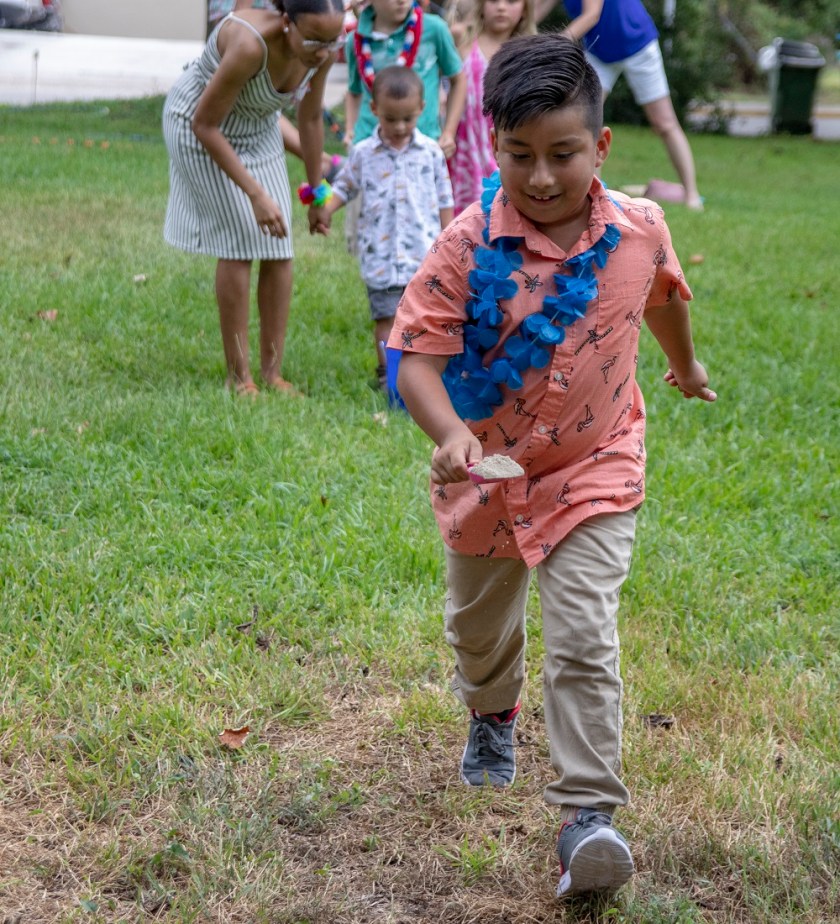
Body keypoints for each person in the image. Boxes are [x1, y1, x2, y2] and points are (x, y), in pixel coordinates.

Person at [388, 32, 716, 897]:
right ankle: (491, 714)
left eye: (562, 155)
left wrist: (684, 368)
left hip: (596, 465)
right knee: (479, 632)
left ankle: (587, 819)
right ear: (494, 145)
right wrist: (451, 436)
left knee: (582, 634)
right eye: (521, 155)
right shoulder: (465, 247)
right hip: (488, 476)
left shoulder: (640, 228)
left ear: (600, 147)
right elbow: (416, 355)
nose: (540, 177)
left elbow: (663, 298)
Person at [163, 0, 344, 396]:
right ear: (286, 23)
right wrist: (256, 195)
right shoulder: (249, 45)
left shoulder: (324, 44)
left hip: (258, 125)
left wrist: (317, 195)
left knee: (280, 245)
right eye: (315, 41)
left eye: (334, 41)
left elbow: (311, 119)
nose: (325, 52)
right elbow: (204, 123)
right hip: (199, 125)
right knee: (241, 240)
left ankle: (272, 373)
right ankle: (238, 376)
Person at [319, 66, 454, 387]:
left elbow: (444, 196)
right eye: (390, 118)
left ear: (422, 109)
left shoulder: (431, 153)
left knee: (424, 317)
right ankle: (387, 376)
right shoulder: (364, 153)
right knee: (385, 317)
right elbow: (345, 186)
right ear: (374, 109)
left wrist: (449, 238)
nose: (399, 126)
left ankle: (424, 373)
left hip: (422, 256)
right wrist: (326, 210)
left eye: (407, 118)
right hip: (380, 256)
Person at [535, 0, 703, 210]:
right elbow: (536, 9)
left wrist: (550, 47)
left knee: (664, 122)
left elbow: (591, 15)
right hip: (600, 51)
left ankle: (692, 195)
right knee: (585, 122)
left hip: (637, 44)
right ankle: (595, 197)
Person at [208, 0, 344, 182]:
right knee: (251, 90)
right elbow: (241, 20)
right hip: (255, 25)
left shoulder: (323, 48)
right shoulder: (250, 40)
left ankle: (322, 162)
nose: (323, 52)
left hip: (295, 20)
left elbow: (311, 117)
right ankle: (323, 161)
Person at [343, 0, 466, 157]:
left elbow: (458, 79)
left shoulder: (434, 29)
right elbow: (354, 91)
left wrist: (449, 132)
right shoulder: (356, 40)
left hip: (423, 145)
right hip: (370, 146)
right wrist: (350, 129)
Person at [447, 0, 536, 214]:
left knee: (503, 211)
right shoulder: (463, 41)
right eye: (494, 0)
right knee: (464, 214)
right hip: (465, 144)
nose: (502, 7)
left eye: (512, 1)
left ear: (525, 8)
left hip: (506, 144)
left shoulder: (530, 52)